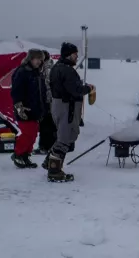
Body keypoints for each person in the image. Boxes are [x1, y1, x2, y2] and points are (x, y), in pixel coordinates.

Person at [47, 42, 94, 182]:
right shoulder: (67, 70)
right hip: (67, 107)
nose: (76, 56)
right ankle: (54, 170)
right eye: (75, 54)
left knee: (64, 135)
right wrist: (88, 88)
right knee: (65, 137)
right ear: (68, 54)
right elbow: (75, 90)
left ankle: (49, 161)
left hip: (59, 105)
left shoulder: (57, 68)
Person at [10, 49, 46, 169]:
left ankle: (25, 155)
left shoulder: (37, 72)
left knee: (33, 134)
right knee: (27, 133)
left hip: (35, 109)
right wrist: (19, 107)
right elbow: (16, 91)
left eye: (41, 59)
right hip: (25, 109)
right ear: (31, 58)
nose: (39, 62)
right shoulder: (22, 72)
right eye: (37, 59)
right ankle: (18, 154)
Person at [34, 51, 57, 158]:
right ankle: (47, 146)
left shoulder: (47, 70)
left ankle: (46, 146)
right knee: (47, 125)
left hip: (48, 102)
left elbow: (48, 87)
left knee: (47, 125)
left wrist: (45, 102)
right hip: (47, 102)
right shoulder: (46, 68)